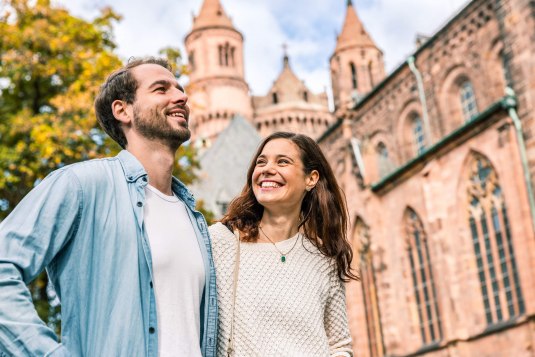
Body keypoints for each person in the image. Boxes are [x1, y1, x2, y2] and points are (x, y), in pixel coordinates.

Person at [0, 57, 217, 357]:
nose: (181, 96)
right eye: (161, 89)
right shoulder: (81, 184)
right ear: (122, 110)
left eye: (179, 89)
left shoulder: (195, 220)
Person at [209, 131, 358, 356]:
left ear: (311, 178)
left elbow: (339, 345)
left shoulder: (324, 261)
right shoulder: (221, 241)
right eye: (261, 162)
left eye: (283, 161)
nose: (267, 169)